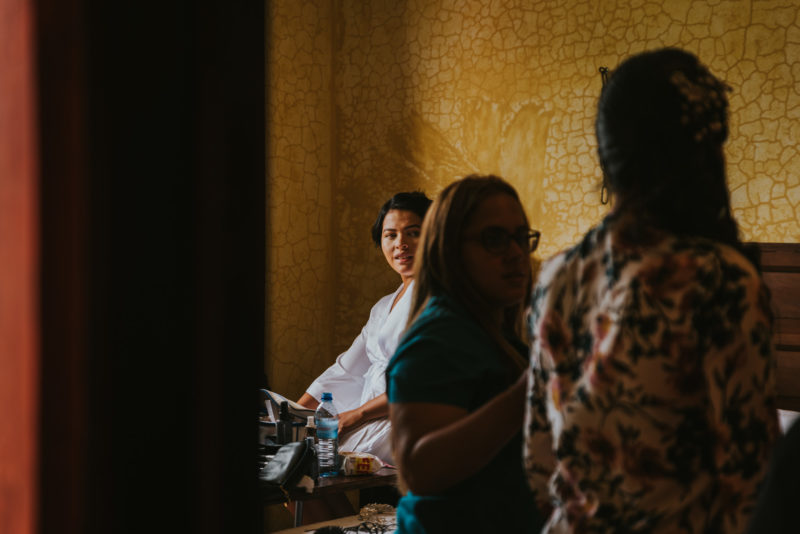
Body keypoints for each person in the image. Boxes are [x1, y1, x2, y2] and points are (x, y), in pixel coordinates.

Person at [523, 48, 780, 533]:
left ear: (608, 154)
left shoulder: (558, 276)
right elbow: (750, 487)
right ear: (703, 152)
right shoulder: (718, 280)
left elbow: (539, 463)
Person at [387, 175, 544, 533]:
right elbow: (418, 471)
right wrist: (533, 387)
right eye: (494, 239)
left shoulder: (495, 333)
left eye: (522, 238)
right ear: (450, 248)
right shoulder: (439, 337)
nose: (517, 253)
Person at [297, 191, 432, 464]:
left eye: (413, 233)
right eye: (390, 235)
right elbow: (348, 370)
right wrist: (294, 413)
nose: (400, 244)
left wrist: (356, 415)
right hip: (371, 417)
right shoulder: (383, 306)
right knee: (291, 461)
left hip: (406, 419)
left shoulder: (439, 299)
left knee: (302, 463)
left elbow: (423, 382)